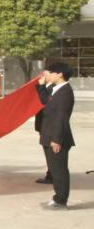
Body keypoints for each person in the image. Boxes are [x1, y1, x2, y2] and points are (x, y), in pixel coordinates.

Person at [40, 62, 75, 210]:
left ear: (60, 74)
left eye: (50, 73)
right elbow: (45, 101)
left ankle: (61, 201)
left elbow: (61, 118)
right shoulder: (56, 89)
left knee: (60, 170)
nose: (48, 75)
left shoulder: (65, 92)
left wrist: (56, 139)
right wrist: (42, 86)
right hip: (50, 135)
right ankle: (57, 198)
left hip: (57, 138)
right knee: (55, 170)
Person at [34, 73, 54, 184]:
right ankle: (51, 174)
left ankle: (52, 175)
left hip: (49, 126)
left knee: (51, 152)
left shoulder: (54, 88)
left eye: (45, 73)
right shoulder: (47, 87)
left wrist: (41, 86)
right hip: (43, 125)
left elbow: (45, 102)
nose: (42, 75)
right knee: (48, 150)